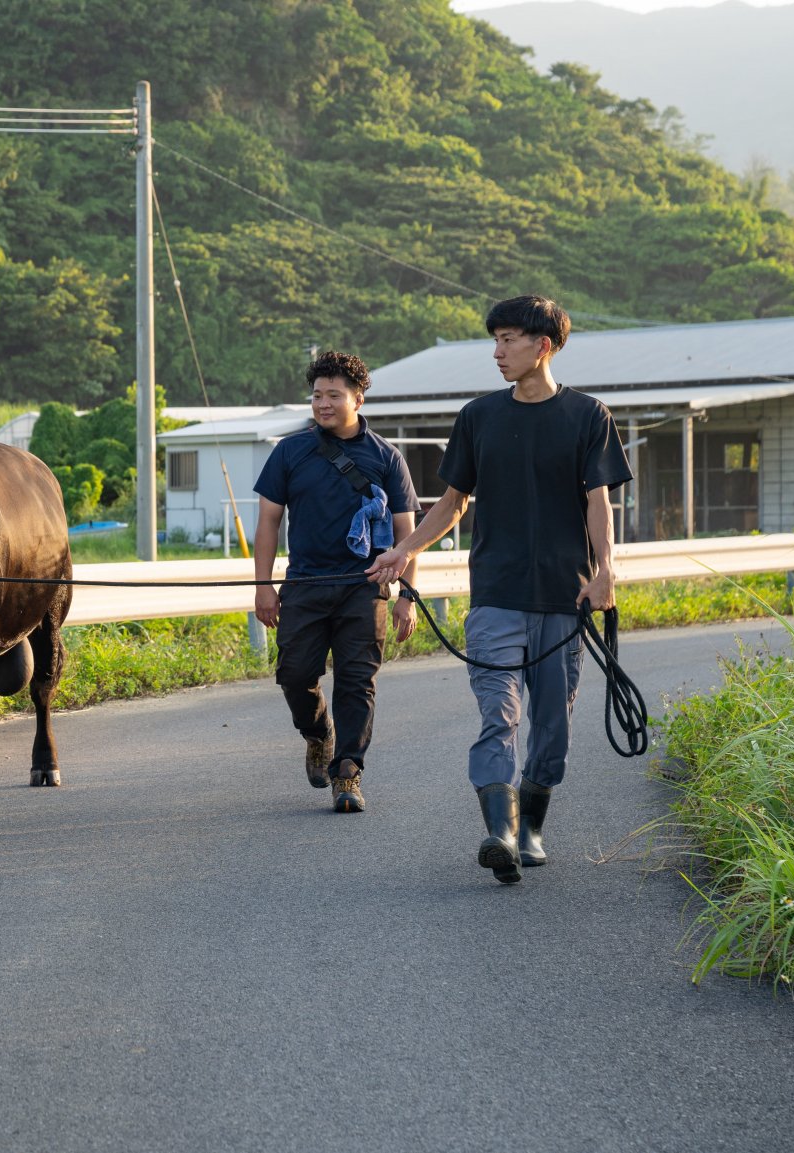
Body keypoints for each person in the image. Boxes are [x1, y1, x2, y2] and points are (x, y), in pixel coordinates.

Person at [366, 296, 632, 883]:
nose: (497, 351)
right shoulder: (478, 417)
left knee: (553, 726)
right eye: (495, 340)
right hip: (494, 596)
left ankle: (532, 827)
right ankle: (500, 832)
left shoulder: (589, 416)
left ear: (543, 345)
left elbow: (598, 501)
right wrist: (404, 551)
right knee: (499, 715)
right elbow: (453, 503)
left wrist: (606, 569)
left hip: (565, 597)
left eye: (508, 339)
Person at [254, 350, 421, 814]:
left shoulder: (386, 456)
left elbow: (408, 534)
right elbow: (268, 521)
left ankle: (348, 772)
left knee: (356, 680)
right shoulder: (290, 451)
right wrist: (263, 585)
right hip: (304, 585)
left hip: (364, 587)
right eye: (316, 395)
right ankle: (318, 732)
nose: (323, 403)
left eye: (334, 395)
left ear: (358, 399)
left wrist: (406, 594)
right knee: (294, 674)